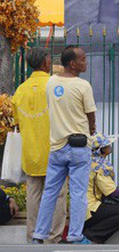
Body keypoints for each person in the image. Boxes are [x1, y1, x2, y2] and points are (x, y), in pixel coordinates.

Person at [31, 46, 97, 245]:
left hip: (57, 147)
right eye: (83, 59)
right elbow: (90, 114)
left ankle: (39, 235)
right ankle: (76, 236)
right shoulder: (83, 85)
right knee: (78, 193)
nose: (86, 62)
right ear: (72, 63)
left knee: (49, 192)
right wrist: (92, 128)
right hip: (79, 148)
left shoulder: (51, 82)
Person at [11, 48, 67, 243]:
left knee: (33, 195)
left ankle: (33, 236)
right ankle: (53, 237)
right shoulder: (55, 85)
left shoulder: (20, 90)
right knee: (57, 195)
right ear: (45, 62)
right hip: (55, 149)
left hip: (30, 153)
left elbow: (17, 121)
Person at [83, 133, 119, 243]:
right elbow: (112, 191)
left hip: (78, 208)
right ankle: (91, 235)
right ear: (102, 149)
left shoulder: (86, 162)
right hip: (90, 208)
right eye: (108, 145)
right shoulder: (99, 166)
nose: (110, 147)